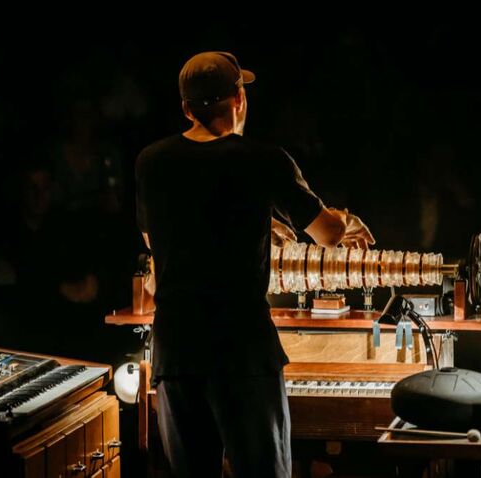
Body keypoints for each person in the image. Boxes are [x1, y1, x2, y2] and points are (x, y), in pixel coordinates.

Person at [135, 51, 375, 478]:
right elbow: (327, 234)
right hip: (242, 351)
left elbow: (156, 240)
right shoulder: (263, 159)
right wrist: (346, 219)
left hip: (176, 351)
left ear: (186, 108)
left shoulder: (152, 161)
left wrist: (256, 220)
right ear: (239, 100)